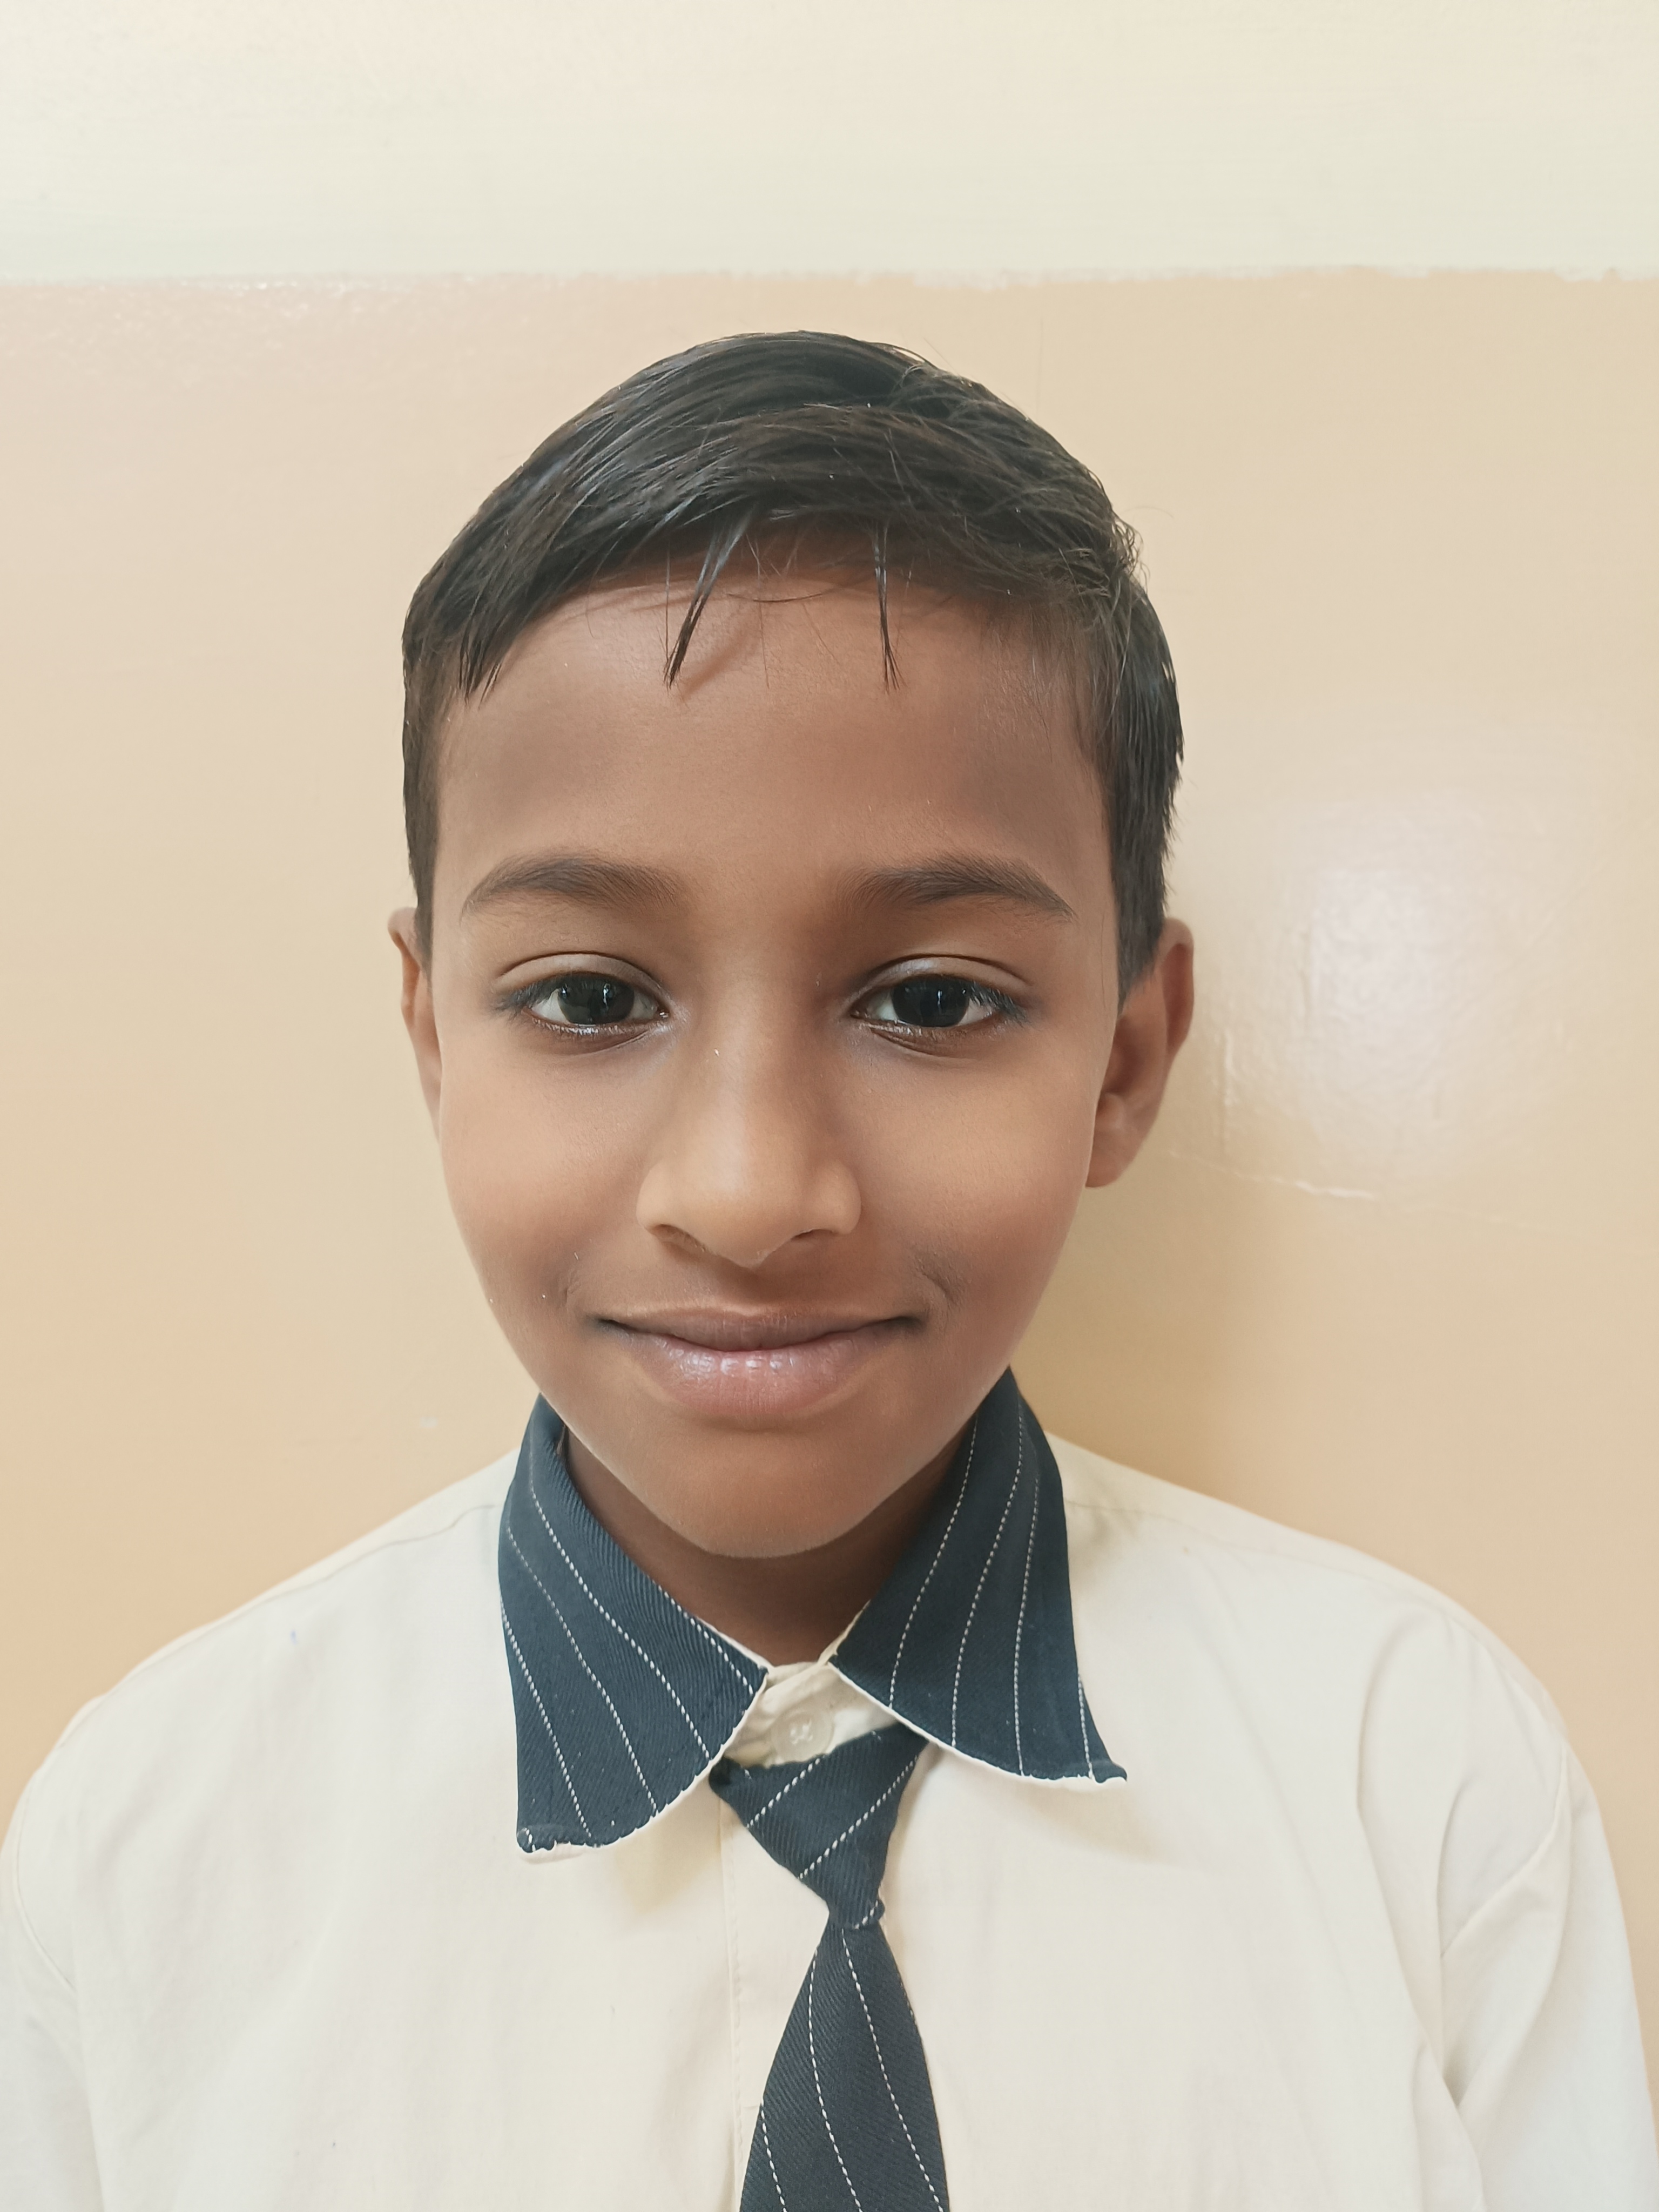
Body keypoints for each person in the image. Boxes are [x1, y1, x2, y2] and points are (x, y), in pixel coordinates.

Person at [1, 332, 1653, 2211]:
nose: (747, 1192)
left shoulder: (1417, 1785)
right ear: (435, 1036)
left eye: (931, 1001)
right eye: (590, 999)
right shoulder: (154, 1857)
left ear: (1125, 1058)